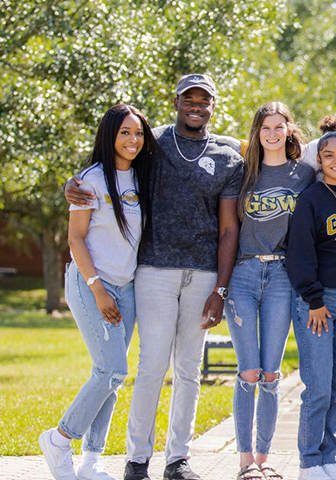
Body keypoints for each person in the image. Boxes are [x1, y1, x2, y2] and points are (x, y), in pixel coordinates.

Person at [65, 74, 244, 480]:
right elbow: (111, 163)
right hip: (152, 272)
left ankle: (178, 459)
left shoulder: (228, 157)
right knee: (150, 366)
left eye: (204, 100)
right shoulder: (154, 143)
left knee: (188, 369)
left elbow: (230, 228)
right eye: (189, 99)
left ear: (213, 104)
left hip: (202, 274)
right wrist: (70, 185)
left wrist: (220, 287)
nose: (196, 106)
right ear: (177, 102)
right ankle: (136, 460)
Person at [40, 104, 155, 480]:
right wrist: (98, 290)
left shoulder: (142, 177)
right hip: (92, 284)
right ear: (109, 135)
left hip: (127, 288)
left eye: (138, 133)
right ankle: (59, 440)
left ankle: (91, 460)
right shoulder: (89, 182)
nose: (133, 140)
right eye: (125, 132)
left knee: (111, 376)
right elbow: (75, 239)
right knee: (110, 370)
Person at [227, 102, 316, 480]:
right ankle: (245, 462)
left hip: (281, 275)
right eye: (265, 127)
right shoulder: (243, 173)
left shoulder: (305, 174)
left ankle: (264, 460)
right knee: (248, 371)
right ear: (257, 132)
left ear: (290, 130)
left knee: (271, 374)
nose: (272, 133)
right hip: (244, 274)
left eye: (279, 126)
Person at [286, 116, 336, 480]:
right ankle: (308, 462)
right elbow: (299, 255)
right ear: (318, 160)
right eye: (329, 155)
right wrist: (314, 299)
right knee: (317, 387)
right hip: (318, 303)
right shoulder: (311, 200)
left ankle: (328, 456)